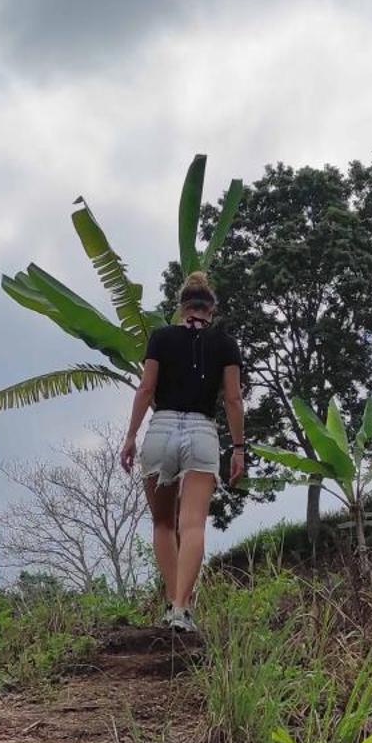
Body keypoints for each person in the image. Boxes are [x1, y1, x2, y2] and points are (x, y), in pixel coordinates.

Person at [119, 270, 244, 631]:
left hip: (161, 429)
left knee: (162, 523)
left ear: (181, 307)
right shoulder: (225, 344)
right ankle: (181, 609)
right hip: (203, 432)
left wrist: (130, 436)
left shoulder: (160, 337)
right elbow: (233, 399)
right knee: (192, 525)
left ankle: (174, 604)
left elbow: (145, 390)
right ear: (211, 309)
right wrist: (238, 448)